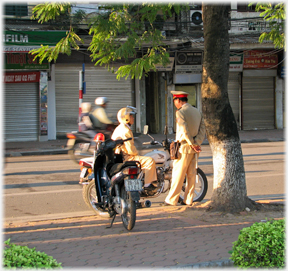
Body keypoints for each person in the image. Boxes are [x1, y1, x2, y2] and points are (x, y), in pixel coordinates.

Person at [164, 91, 206, 206]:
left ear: (178, 100)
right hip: (195, 148)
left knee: (178, 174)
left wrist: (192, 143)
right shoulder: (197, 112)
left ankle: (171, 200)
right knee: (191, 175)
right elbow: (202, 130)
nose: (174, 104)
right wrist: (197, 143)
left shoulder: (180, 112)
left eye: (174, 101)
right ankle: (188, 200)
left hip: (185, 147)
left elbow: (184, 130)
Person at [111, 106, 157, 189]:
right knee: (150, 161)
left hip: (120, 156)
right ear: (126, 118)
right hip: (127, 158)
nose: (133, 118)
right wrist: (137, 154)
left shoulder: (119, 128)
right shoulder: (126, 131)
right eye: (131, 116)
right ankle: (147, 185)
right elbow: (131, 150)